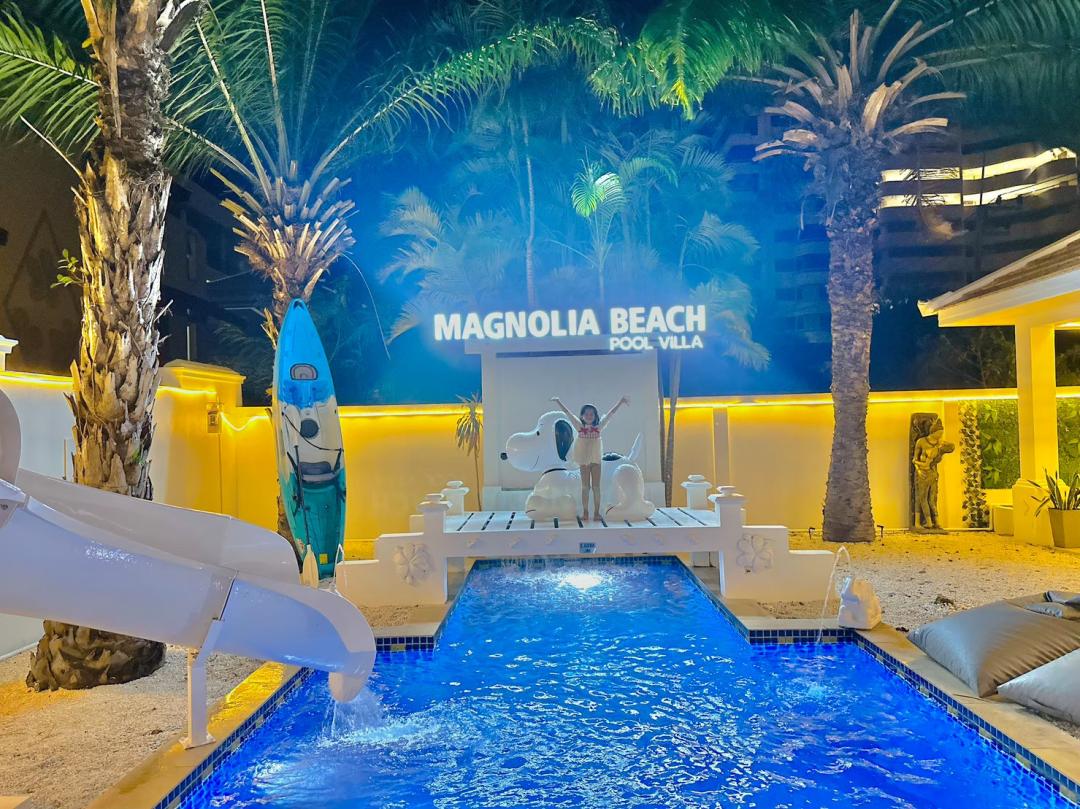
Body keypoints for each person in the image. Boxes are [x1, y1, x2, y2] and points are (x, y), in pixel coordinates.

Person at [550, 395, 629, 521]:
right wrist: (558, 402)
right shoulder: (579, 427)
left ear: (595, 416)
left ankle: (596, 513)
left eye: (591, 414)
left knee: (596, 487)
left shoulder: (598, 427)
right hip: (583, 460)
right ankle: (585, 512)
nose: (589, 416)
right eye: (586, 414)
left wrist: (620, 402)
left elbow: (610, 415)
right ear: (582, 416)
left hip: (596, 460)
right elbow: (568, 414)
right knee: (585, 487)